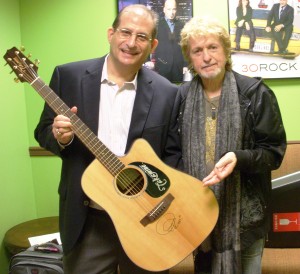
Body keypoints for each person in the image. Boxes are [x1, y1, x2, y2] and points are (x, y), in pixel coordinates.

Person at [34, 4, 181, 274]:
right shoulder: (68, 77)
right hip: (88, 219)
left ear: (153, 45)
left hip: (144, 220)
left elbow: (173, 156)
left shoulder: (168, 93)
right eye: (125, 32)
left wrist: (159, 201)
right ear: (111, 33)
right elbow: (43, 131)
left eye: (141, 37)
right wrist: (60, 137)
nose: (131, 43)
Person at [177, 16, 286, 273]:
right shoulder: (181, 97)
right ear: (190, 58)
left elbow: (274, 153)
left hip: (244, 221)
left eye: (212, 47)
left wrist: (239, 158)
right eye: (197, 50)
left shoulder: (255, 93)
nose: (206, 57)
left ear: (226, 51)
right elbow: (172, 152)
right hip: (198, 217)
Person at [152, 0, 187, 82]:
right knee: (163, 91)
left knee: (178, 92)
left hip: (178, 67)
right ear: (164, 9)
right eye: (169, 9)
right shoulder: (157, 25)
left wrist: (185, 65)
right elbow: (148, 42)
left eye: (174, 9)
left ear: (176, 10)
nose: (172, 12)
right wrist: (147, 61)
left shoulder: (182, 25)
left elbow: (185, 46)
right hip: (162, 66)